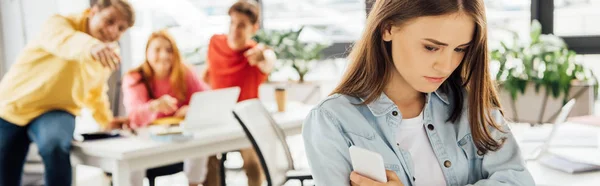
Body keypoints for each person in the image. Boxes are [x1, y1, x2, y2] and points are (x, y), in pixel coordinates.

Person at [302, 0, 535, 186]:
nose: (446, 66)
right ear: (388, 28)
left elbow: (518, 180)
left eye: (460, 49)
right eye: (431, 47)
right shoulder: (332, 121)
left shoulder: (473, 105)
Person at [0, 0, 134, 185]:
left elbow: (95, 91)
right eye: (109, 21)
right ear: (92, 12)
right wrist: (91, 47)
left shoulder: (106, 52)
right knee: (5, 175)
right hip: (13, 105)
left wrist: (106, 120)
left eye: (120, 29)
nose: (113, 32)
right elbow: (64, 40)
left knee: (54, 145)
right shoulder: (59, 24)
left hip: (57, 110)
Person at [201, 1, 276, 186]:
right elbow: (207, 75)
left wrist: (264, 57)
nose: (235, 29)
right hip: (217, 120)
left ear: (254, 28)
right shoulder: (215, 43)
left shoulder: (254, 54)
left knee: (253, 164)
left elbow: (268, 60)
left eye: (242, 25)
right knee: (206, 161)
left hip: (246, 123)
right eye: (232, 23)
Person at [122, 30, 210, 186]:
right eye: (157, 50)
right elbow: (133, 115)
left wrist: (190, 109)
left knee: (200, 144)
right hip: (146, 140)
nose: (163, 56)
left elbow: (205, 99)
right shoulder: (135, 78)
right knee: (131, 160)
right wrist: (154, 106)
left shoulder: (184, 73)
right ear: (146, 52)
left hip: (178, 139)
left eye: (169, 50)